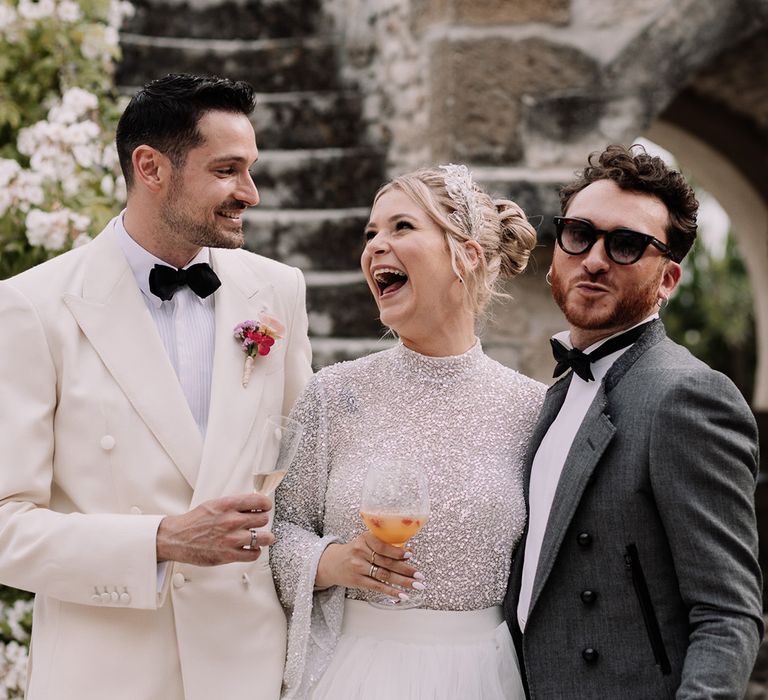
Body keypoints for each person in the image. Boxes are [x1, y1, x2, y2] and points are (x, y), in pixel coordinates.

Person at [0, 74, 312, 700]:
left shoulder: (277, 291)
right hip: (106, 674)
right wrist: (161, 541)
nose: (248, 193)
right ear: (150, 167)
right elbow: (6, 525)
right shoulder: (32, 307)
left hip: (247, 668)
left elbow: (302, 483)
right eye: (227, 169)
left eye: (249, 169)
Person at [270, 164, 546, 699]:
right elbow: (278, 529)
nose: (375, 247)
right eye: (371, 233)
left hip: (484, 677)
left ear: (464, 255)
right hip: (351, 673)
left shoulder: (532, 409)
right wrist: (331, 561)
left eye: (401, 228)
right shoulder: (335, 394)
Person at [504, 143, 763, 698]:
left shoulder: (689, 397)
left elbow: (728, 614)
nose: (594, 259)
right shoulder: (552, 394)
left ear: (668, 280)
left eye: (626, 245)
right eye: (579, 234)